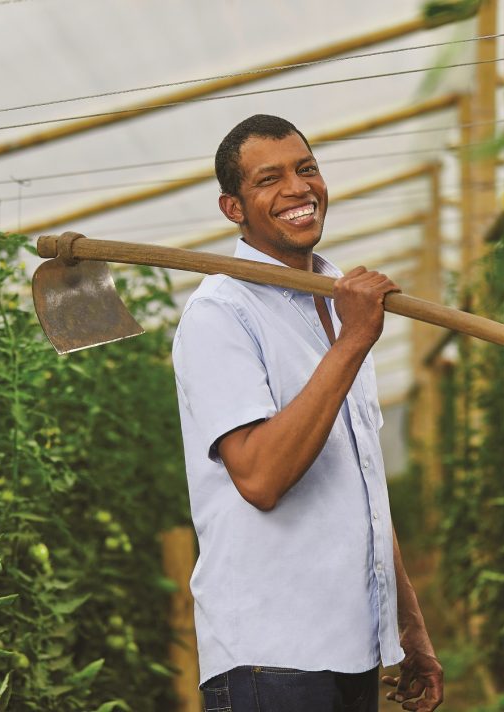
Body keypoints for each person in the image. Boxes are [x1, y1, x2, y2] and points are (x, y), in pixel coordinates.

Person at [171, 114, 444, 712]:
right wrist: (352, 343)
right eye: (270, 179)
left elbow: (365, 486)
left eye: (308, 169)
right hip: (271, 656)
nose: (298, 189)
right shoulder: (221, 313)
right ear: (233, 208)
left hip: (351, 646)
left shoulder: (338, 299)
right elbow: (261, 478)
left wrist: (407, 623)